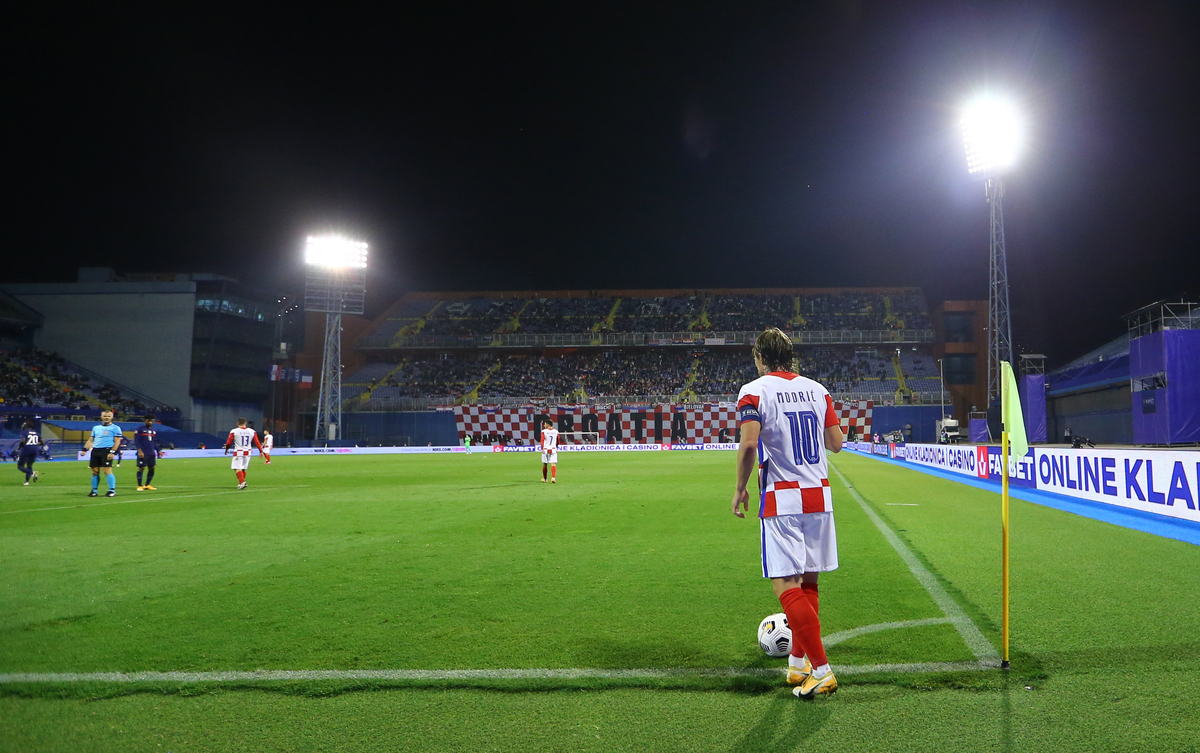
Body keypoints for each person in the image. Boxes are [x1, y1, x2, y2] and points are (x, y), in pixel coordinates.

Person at [731, 328, 844, 699]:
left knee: (785, 585)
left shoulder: (754, 391)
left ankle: (822, 671)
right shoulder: (818, 390)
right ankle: (798, 664)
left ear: (761, 358)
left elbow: (750, 444)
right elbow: (836, 443)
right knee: (808, 583)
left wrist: (740, 487)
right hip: (819, 496)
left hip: (783, 498)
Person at [83, 409, 123, 497]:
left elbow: (117, 441)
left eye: (108, 416)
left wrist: (112, 452)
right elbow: (91, 439)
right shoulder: (96, 428)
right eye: (105, 416)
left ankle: (111, 490)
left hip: (107, 450)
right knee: (95, 471)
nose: (106, 418)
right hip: (96, 450)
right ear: (101, 417)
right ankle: (94, 491)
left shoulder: (115, 428)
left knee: (107, 470)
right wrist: (85, 449)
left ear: (112, 417)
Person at [224, 418, 263, 489]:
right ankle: (241, 483)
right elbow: (257, 442)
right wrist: (261, 451)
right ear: (245, 423)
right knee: (243, 468)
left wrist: (227, 449)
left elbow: (229, 442)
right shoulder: (252, 431)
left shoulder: (234, 431)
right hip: (248, 452)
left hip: (238, 452)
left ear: (238, 423)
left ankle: (242, 482)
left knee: (237, 468)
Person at [134, 413, 161, 491]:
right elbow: (136, 441)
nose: (150, 422)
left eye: (151, 421)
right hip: (143, 453)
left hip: (151, 453)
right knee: (141, 468)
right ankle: (139, 485)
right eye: (148, 420)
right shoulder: (139, 430)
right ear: (145, 420)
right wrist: (139, 451)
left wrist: (158, 450)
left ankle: (147, 484)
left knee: (152, 468)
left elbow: (153, 442)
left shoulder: (153, 431)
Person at [16, 419, 41, 486]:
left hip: (26, 449)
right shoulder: (36, 433)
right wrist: (34, 445)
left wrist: (19, 448)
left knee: (20, 466)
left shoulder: (24, 432)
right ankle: (27, 481)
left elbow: (22, 441)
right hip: (35, 450)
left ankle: (32, 473)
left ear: (26, 426)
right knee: (29, 465)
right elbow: (42, 442)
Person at [540, 418, 559, 483]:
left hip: (546, 449)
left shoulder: (544, 431)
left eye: (545, 424)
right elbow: (558, 440)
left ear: (548, 425)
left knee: (545, 464)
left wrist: (542, 448)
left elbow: (542, 440)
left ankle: (545, 479)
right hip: (553, 449)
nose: (544, 425)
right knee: (553, 464)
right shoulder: (556, 431)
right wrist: (556, 447)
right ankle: (553, 478)